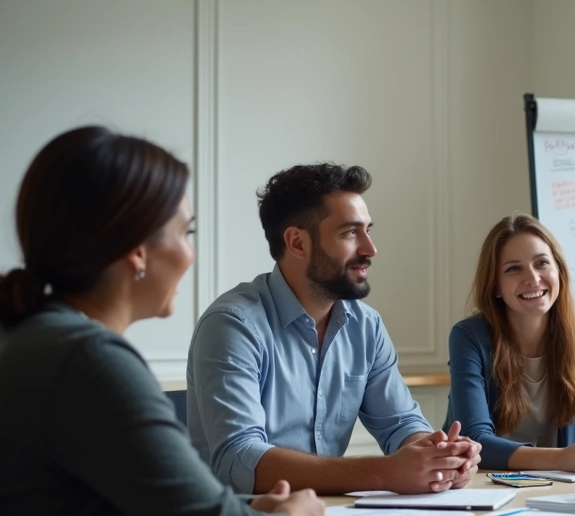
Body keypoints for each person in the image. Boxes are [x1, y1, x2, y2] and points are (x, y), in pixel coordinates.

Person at [0, 127, 327, 516]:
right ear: (138, 251)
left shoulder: (7, 341)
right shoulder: (91, 363)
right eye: (187, 232)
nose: (190, 252)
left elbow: (106, 507)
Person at [187, 162, 481, 495]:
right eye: (350, 233)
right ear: (298, 243)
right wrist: (384, 473)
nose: (370, 249)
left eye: (368, 230)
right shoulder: (233, 326)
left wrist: (438, 455)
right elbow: (238, 460)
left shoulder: (365, 326)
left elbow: (401, 424)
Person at [445, 213, 575, 471]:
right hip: (481, 483)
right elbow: (475, 441)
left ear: (559, 272)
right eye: (513, 268)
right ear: (495, 285)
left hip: (556, 486)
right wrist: (561, 458)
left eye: (542, 263)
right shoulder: (468, 337)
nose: (533, 278)